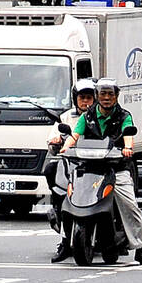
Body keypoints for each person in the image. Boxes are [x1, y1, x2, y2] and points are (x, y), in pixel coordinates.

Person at [60, 78, 142, 266]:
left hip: (116, 169)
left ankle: (140, 248)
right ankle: (64, 242)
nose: (107, 98)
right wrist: (66, 146)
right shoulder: (87, 116)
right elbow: (75, 135)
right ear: (97, 96)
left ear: (116, 96)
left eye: (110, 94)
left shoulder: (124, 116)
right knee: (68, 197)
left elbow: (128, 135)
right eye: (103, 94)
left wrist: (127, 149)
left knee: (130, 205)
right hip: (89, 168)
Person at [46, 78, 97, 262]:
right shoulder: (67, 117)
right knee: (52, 170)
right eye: (82, 97)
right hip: (72, 165)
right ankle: (64, 238)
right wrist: (56, 142)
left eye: (89, 98)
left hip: (97, 166)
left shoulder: (101, 117)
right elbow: (53, 140)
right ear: (75, 99)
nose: (85, 102)